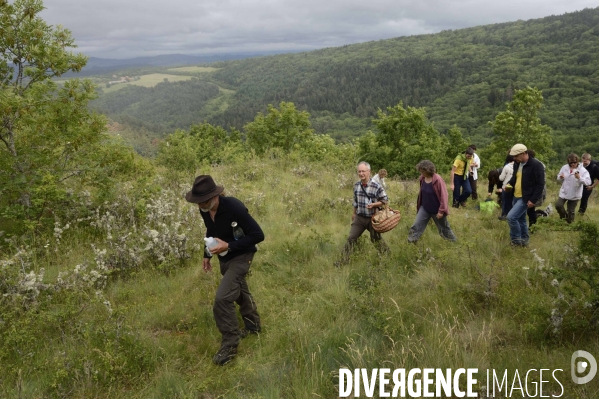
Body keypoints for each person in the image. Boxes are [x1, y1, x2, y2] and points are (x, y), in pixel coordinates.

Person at [185, 175, 264, 366]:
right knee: (239, 292)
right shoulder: (205, 210)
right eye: (197, 202)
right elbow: (210, 231)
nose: (199, 206)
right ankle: (253, 327)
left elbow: (258, 235)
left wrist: (228, 245)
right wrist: (206, 254)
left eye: (202, 202)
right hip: (224, 257)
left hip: (242, 255)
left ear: (215, 197)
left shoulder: (234, 207)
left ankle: (229, 345)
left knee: (222, 298)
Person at [336, 161, 389, 266]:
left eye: (363, 171)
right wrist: (354, 213)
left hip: (373, 218)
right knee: (351, 238)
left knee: (376, 240)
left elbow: (385, 200)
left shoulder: (376, 186)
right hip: (359, 218)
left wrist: (374, 205)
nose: (361, 174)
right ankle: (342, 262)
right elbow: (355, 201)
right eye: (359, 171)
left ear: (369, 172)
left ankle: (387, 257)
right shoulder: (356, 185)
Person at [408, 160, 456, 243]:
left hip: (437, 210)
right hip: (425, 208)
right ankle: (411, 242)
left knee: (444, 228)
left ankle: (452, 242)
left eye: (423, 171)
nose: (421, 173)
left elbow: (444, 196)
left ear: (428, 170)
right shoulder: (422, 179)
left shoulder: (438, 180)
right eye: (420, 171)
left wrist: (441, 211)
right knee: (416, 226)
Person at [506, 144, 545, 247]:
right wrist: (509, 184)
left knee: (511, 217)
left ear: (523, 154)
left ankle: (516, 241)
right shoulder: (517, 164)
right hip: (515, 195)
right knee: (521, 219)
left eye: (516, 156)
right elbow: (515, 178)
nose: (514, 158)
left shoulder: (536, 165)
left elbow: (540, 184)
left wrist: (533, 200)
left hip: (526, 198)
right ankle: (524, 242)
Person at [556, 153, 591, 224]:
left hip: (575, 193)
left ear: (577, 161)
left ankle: (570, 225)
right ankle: (563, 218)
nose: (572, 164)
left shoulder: (582, 170)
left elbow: (588, 182)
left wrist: (579, 178)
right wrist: (560, 177)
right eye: (570, 163)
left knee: (571, 211)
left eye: (574, 162)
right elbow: (558, 177)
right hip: (564, 191)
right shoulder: (565, 167)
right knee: (558, 205)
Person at [526, 150, 546, 227]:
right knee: (530, 210)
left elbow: (541, 182)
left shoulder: (537, 165)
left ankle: (532, 227)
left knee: (530, 210)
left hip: (536, 191)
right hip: (534, 190)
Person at [498, 154, 515, 220]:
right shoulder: (518, 166)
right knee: (512, 201)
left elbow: (501, 178)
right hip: (514, 187)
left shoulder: (506, 167)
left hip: (506, 186)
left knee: (505, 202)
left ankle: (504, 215)